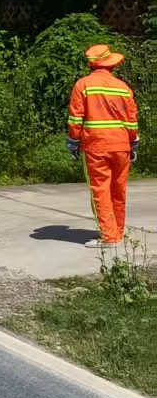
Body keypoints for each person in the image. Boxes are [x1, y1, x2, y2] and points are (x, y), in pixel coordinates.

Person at [67, 43, 140, 264]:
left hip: (96, 146)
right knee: (119, 189)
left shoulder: (83, 85)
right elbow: (131, 119)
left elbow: (75, 118)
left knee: (100, 190)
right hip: (121, 146)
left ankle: (109, 237)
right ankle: (117, 231)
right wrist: (132, 143)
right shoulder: (123, 87)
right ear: (111, 64)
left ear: (91, 64)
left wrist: (73, 141)